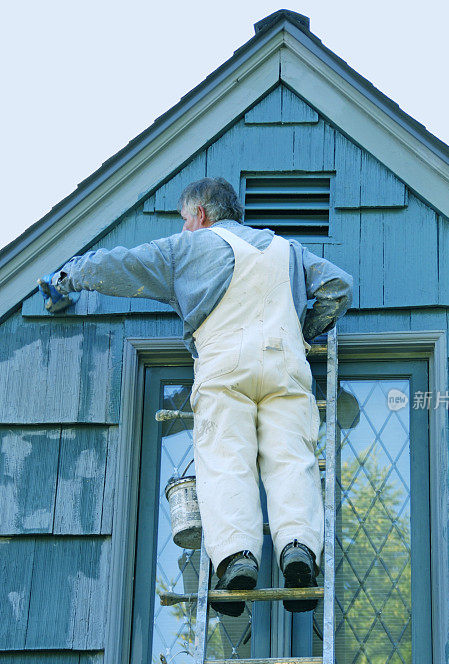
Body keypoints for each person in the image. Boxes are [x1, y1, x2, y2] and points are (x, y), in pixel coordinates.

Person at [40, 177, 353, 616]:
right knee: (290, 459)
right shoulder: (289, 251)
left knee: (226, 460)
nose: (184, 226)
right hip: (286, 366)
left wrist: (65, 277)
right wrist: (303, 331)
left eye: (185, 218)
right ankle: (298, 549)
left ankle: (237, 557)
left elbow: (121, 266)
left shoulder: (188, 248)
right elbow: (339, 287)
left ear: (199, 215)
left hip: (224, 369)